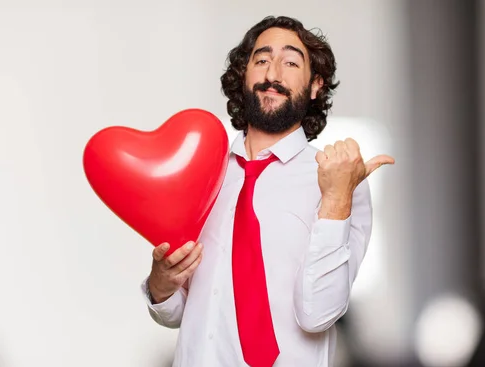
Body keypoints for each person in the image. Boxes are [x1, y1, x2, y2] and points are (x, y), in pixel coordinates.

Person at [140, 15, 394, 367]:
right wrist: (161, 285)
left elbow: (318, 314)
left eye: (291, 62)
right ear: (244, 76)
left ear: (316, 84)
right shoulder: (204, 170)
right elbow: (179, 312)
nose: (273, 73)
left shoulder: (339, 182)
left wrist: (336, 199)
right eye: (261, 60)